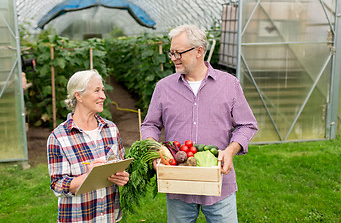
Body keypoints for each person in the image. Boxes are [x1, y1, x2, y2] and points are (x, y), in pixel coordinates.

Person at [141, 24, 258, 223]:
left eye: (178, 53)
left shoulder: (229, 84)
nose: (174, 58)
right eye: (172, 53)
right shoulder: (163, 87)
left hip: (219, 182)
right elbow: (150, 125)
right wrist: (153, 149)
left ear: (199, 51)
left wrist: (230, 151)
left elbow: (247, 124)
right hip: (179, 182)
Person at [47, 69, 129, 223]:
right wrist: (89, 176)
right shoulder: (59, 137)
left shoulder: (110, 129)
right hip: (79, 218)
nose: (103, 96)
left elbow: (120, 165)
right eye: (97, 91)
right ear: (78, 96)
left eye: (103, 90)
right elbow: (57, 185)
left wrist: (122, 175)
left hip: (110, 216)